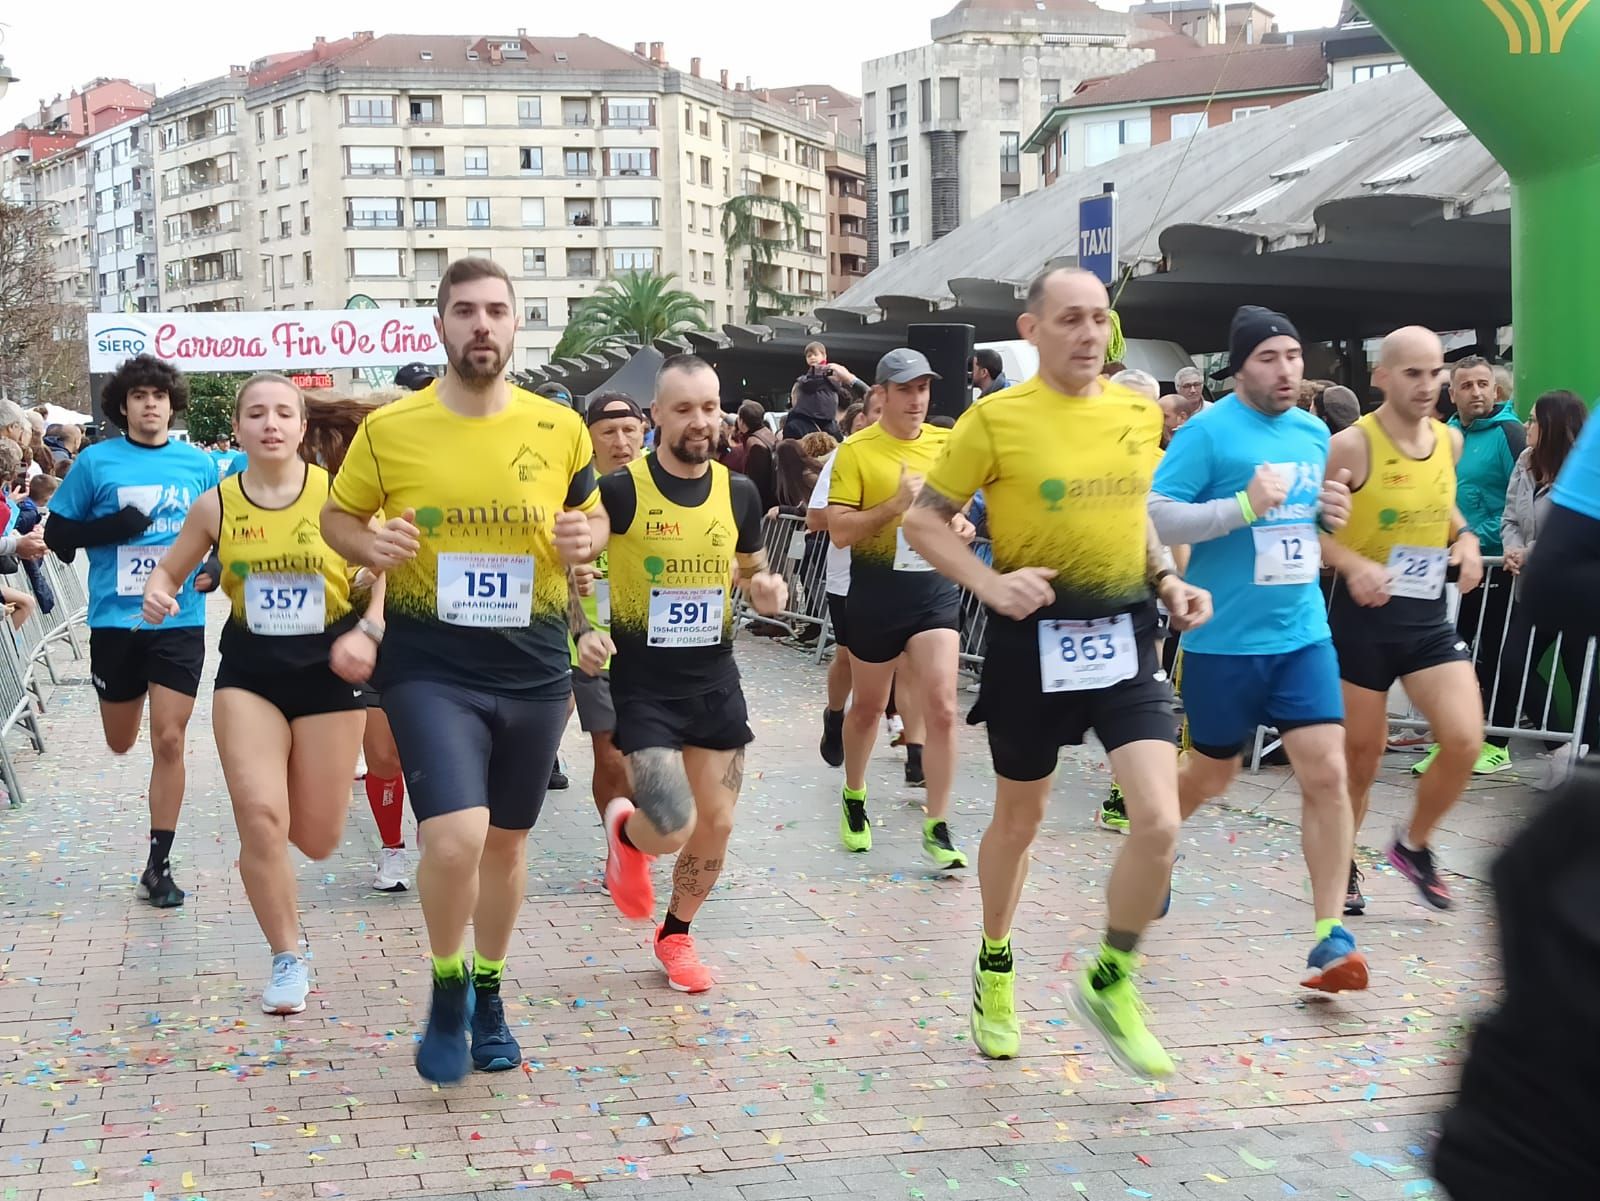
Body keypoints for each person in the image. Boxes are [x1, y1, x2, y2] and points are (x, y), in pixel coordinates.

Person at [902, 266, 1210, 1078]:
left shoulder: (1138, 415)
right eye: (1069, 318)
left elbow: (1135, 511)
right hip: (1030, 646)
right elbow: (924, 521)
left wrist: (1168, 579)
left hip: (1124, 641)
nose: (1086, 333)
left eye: (1098, 319)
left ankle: (1112, 976)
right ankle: (995, 961)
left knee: (1160, 819)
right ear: (1031, 328)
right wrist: (987, 581)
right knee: (1019, 821)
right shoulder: (995, 419)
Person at [320, 256, 607, 1084]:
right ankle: (447, 982)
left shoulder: (561, 428)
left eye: (496, 311)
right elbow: (340, 516)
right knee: (454, 835)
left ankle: (489, 987)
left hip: (533, 663)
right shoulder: (391, 428)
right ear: (440, 325)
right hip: (429, 661)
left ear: (517, 325)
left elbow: (587, 523)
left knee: (507, 845)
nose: (482, 325)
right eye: (465, 311)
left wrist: (588, 541)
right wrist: (369, 544)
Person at [141, 373, 379, 1013]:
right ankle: (286, 955)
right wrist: (158, 588)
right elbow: (171, 565)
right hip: (250, 674)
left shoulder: (339, 495)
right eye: (256, 414)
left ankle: (288, 919)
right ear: (238, 429)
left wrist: (371, 622)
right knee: (261, 818)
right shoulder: (218, 504)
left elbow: (381, 567)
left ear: (303, 428)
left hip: (331, 668)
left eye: (283, 413)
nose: (270, 423)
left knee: (320, 836)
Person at [1149, 305, 1366, 993]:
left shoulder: (1311, 431)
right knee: (1211, 777)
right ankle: (1153, 841)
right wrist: (1241, 505)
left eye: (1295, 356)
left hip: (1301, 632)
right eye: (1270, 357)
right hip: (1225, 641)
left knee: (1326, 772)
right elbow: (1158, 512)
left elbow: (1308, 520)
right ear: (1240, 365)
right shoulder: (1209, 432)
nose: (1286, 370)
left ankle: (1329, 937)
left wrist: (1332, 516)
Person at [593, 354, 786, 992]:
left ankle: (676, 935)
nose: (700, 421)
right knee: (671, 824)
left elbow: (751, 568)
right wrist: (582, 627)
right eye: (684, 409)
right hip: (644, 684)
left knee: (719, 823)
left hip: (715, 679)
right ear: (656, 416)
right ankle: (628, 831)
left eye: (710, 407)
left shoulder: (740, 492)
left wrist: (764, 591)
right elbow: (576, 565)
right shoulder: (621, 490)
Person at [43, 354, 218, 909]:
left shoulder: (198, 465)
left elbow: (222, 535)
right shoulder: (96, 463)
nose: (150, 404)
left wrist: (212, 570)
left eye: (159, 396)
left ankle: (158, 864)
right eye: (139, 396)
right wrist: (112, 528)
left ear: (171, 405)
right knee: (122, 742)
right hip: (115, 623)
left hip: (177, 618)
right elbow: (59, 536)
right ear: (123, 406)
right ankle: (123, 705)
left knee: (169, 739)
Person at [1321, 326, 1485, 914]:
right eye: (1412, 373)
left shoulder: (1450, 442)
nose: (1427, 385)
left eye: (1434, 372)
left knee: (1466, 739)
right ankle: (1341, 864)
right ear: (1381, 376)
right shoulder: (1351, 446)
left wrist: (1464, 538)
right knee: (1362, 760)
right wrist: (1353, 564)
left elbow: (1442, 505)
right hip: (1360, 621)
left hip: (1423, 618)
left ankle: (1413, 845)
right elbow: (1315, 534)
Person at [825, 348, 975, 872]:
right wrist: (893, 505)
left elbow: (959, 515)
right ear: (882, 395)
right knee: (868, 709)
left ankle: (937, 824)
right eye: (907, 389)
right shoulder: (857, 451)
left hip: (933, 591)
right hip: (876, 594)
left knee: (943, 706)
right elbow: (839, 529)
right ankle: (855, 794)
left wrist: (959, 525)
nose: (917, 399)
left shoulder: (944, 443)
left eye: (924, 389)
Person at [300, 389, 414, 892]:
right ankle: (393, 848)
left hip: (430, 636)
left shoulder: (434, 483)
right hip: (364, 639)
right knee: (385, 757)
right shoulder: (339, 491)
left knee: (434, 753)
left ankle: (440, 831)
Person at [1490, 390, 1594, 779]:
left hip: (1577, 589)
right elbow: (1510, 516)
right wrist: (1513, 549)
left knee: (1579, 668)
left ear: (1554, 427)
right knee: (1514, 660)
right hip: (1534, 589)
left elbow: (1578, 530)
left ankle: (1586, 756)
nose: (1527, 426)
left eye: (1533, 419)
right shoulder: (1526, 462)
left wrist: (1533, 551)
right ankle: (1562, 744)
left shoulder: (1585, 469)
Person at [1435, 356, 1526, 775]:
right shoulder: (1445, 434)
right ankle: (1455, 738)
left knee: (1496, 652)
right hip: (1452, 563)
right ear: (1452, 394)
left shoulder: (1510, 433)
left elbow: (1517, 502)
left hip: (1496, 563)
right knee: (1453, 655)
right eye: (1467, 385)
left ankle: (1498, 742)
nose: (1476, 393)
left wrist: (1470, 535)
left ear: (1496, 390)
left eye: (1483, 384)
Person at [569, 392, 645, 823]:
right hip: (595, 644)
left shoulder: (664, 481)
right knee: (612, 755)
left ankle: (639, 826)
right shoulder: (575, 492)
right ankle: (621, 845)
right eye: (608, 432)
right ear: (590, 439)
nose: (621, 442)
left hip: (658, 645)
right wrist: (571, 573)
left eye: (629, 431)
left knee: (652, 755)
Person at [812, 395, 883, 766]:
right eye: (873, 416)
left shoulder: (913, 456)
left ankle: (915, 748)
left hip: (900, 576)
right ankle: (835, 713)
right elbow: (814, 519)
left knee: (906, 662)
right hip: (848, 577)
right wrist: (866, 515)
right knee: (848, 657)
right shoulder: (844, 458)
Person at [785, 341, 866, 441]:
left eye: (815, 354)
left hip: (812, 416)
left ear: (824, 356)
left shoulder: (795, 425)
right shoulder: (825, 375)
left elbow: (810, 384)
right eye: (809, 356)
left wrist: (803, 380)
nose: (812, 358)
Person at [735, 401, 780, 511]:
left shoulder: (755, 444)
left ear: (741, 421)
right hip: (773, 497)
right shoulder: (767, 433)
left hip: (763, 503)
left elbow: (757, 481)